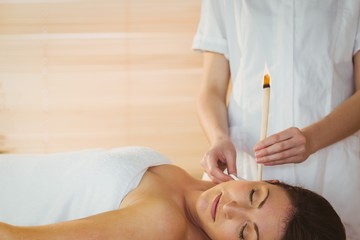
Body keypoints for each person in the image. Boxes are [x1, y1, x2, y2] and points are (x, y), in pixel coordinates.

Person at [192, 1, 360, 239]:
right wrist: (218, 137)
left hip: (331, 165)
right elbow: (211, 90)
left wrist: (312, 139)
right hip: (245, 166)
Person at [0, 147, 345, 240]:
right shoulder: (200, 189)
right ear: (265, 180)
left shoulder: (164, 227)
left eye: (244, 234)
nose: (231, 208)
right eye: (255, 195)